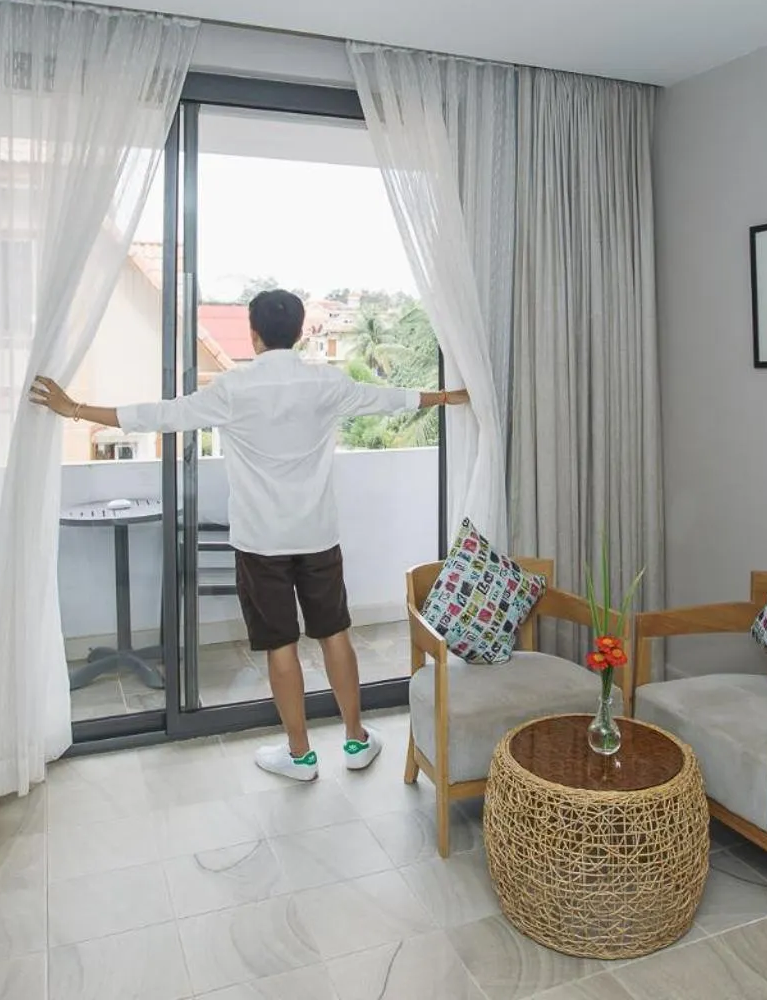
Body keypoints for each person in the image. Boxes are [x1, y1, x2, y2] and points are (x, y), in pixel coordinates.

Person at [29, 289, 468, 782]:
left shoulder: (234, 389)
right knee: (335, 634)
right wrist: (452, 396)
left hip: (261, 544)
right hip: (317, 535)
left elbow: (161, 414)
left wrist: (75, 409)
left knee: (281, 644)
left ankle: (300, 756)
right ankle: (355, 739)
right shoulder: (326, 381)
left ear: (253, 335)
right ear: (300, 332)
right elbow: (394, 400)